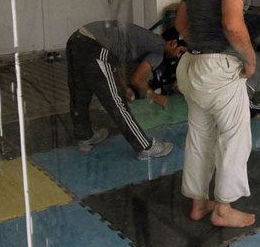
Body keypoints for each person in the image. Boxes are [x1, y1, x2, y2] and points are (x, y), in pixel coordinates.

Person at [175, 0, 257, 228]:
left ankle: (199, 203)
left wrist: (200, 44)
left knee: (200, 136)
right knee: (234, 138)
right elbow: (233, 25)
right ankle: (223, 208)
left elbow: (181, 24)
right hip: (219, 69)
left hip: (192, 67)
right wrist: (249, 60)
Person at [66, 21, 186, 157]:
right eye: (181, 52)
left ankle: (84, 135)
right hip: (96, 47)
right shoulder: (158, 50)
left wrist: (124, 87)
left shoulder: (146, 39)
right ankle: (145, 147)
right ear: (173, 43)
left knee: (80, 92)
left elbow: (115, 60)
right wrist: (154, 96)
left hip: (76, 39)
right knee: (117, 103)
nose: (178, 57)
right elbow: (137, 80)